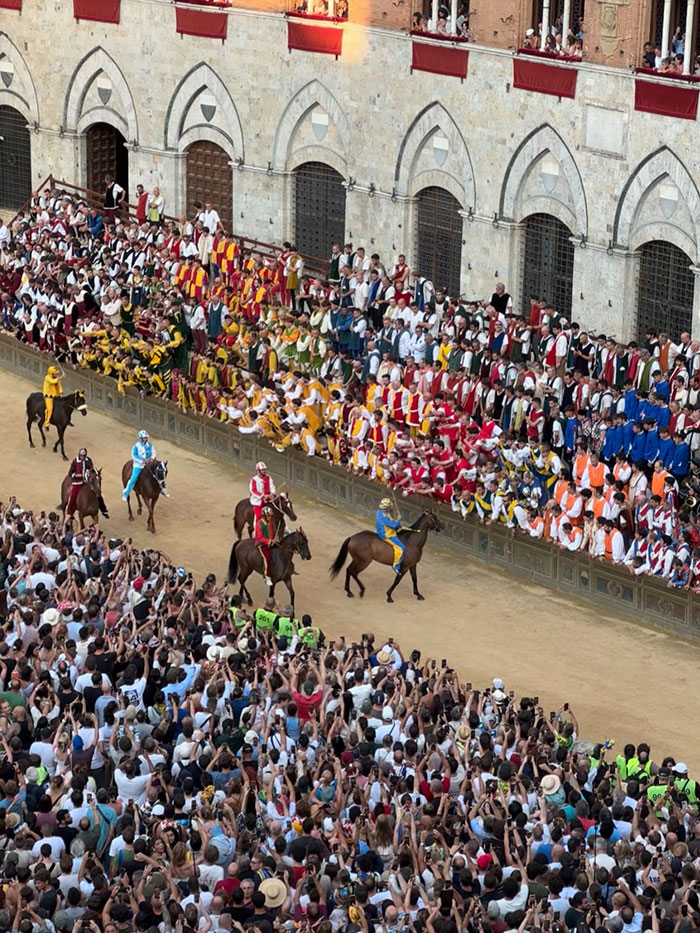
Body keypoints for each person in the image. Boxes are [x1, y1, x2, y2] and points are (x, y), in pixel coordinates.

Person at [122, 429, 168, 500]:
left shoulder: (150, 445)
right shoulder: (136, 446)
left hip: (149, 463)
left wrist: (152, 458)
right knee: (133, 478)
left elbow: (153, 452)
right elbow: (134, 455)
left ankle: (162, 488)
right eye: (144, 438)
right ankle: (126, 492)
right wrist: (143, 460)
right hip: (139, 465)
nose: (146, 439)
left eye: (146, 437)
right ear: (141, 438)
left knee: (159, 472)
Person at [66, 447, 109, 519]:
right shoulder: (75, 461)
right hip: (77, 481)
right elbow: (70, 473)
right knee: (74, 495)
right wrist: (76, 475)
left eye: (84, 455)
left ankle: (103, 510)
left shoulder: (88, 460)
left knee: (97, 492)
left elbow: (91, 469)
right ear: (79, 455)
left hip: (87, 481)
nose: (82, 457)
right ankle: (70, 512)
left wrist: (89, 473)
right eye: (81, 455)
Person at [376, 496, 405, 574]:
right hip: (387, 535)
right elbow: (394, 525)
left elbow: (391, 520)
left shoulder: (379, 511)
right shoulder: (384, 518)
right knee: (402, 548)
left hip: (387, 530)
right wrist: (398, 520)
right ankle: (396, 565)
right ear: (386, 508)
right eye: (390, 506)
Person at [249, 460, 276, 540]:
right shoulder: (254, 480)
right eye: (262, 470)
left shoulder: (268, 477)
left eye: (264, 470)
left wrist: (272, 494)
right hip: (258, 501)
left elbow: (272, 486)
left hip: (268, 500)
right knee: (258, 517)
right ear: (258, 471)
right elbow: (253, 490)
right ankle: (256, 533)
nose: (264, 471)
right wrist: (262, 496)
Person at [256, 504, 278, 586]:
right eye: (268, 516)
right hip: (262, 544)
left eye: (270, 516)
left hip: (271, 542)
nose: (270, 517)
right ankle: (267, 577)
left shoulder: (271, 523)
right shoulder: (259, 524)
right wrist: (270, 541)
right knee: (267, 558)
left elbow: (272, 532)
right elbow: (260, 538)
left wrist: (275, 539)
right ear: (264, 516)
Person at [42, 363, 63, 428]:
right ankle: (47, 423)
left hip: (56, 395)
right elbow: (52, 382)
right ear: (51, 373)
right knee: (49, 409)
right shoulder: (47, 377)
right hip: (48, 396)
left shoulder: (56, 378)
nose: (56, 374)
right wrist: (61, 377)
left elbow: (59, 385)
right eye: (55, 373)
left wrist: (61, 392)